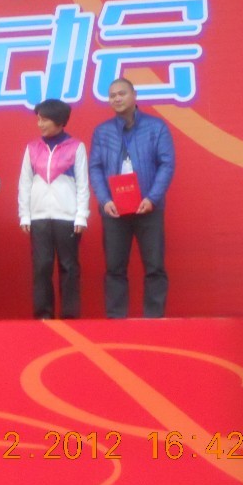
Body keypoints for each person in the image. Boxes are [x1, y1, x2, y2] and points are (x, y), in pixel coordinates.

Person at [89, 78, 175, 318]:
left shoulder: (156, 127)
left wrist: (152, 198)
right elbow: (95, 167)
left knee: (154, 266)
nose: (116, 98)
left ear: (134, 95)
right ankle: (116, 320)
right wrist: (105, 200)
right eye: (112, 95)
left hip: (148, 207)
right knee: (114, 267)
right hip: (114, 209)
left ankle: (154, 318)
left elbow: (166, 164)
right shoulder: (102, 131)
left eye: (122, 93)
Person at [17, 99, 89, 319]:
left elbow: (83, 184)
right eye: (38, 119)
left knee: (69, 266)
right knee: (42, 266)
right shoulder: (32, 148)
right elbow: (24, 183)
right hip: (39, 217)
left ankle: (70, 315)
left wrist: (81, 215)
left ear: (59, 120)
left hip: (67, 217)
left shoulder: (76, 146)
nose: (39, 124)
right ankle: (43, 314)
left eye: (44, 119)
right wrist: (24, 215)